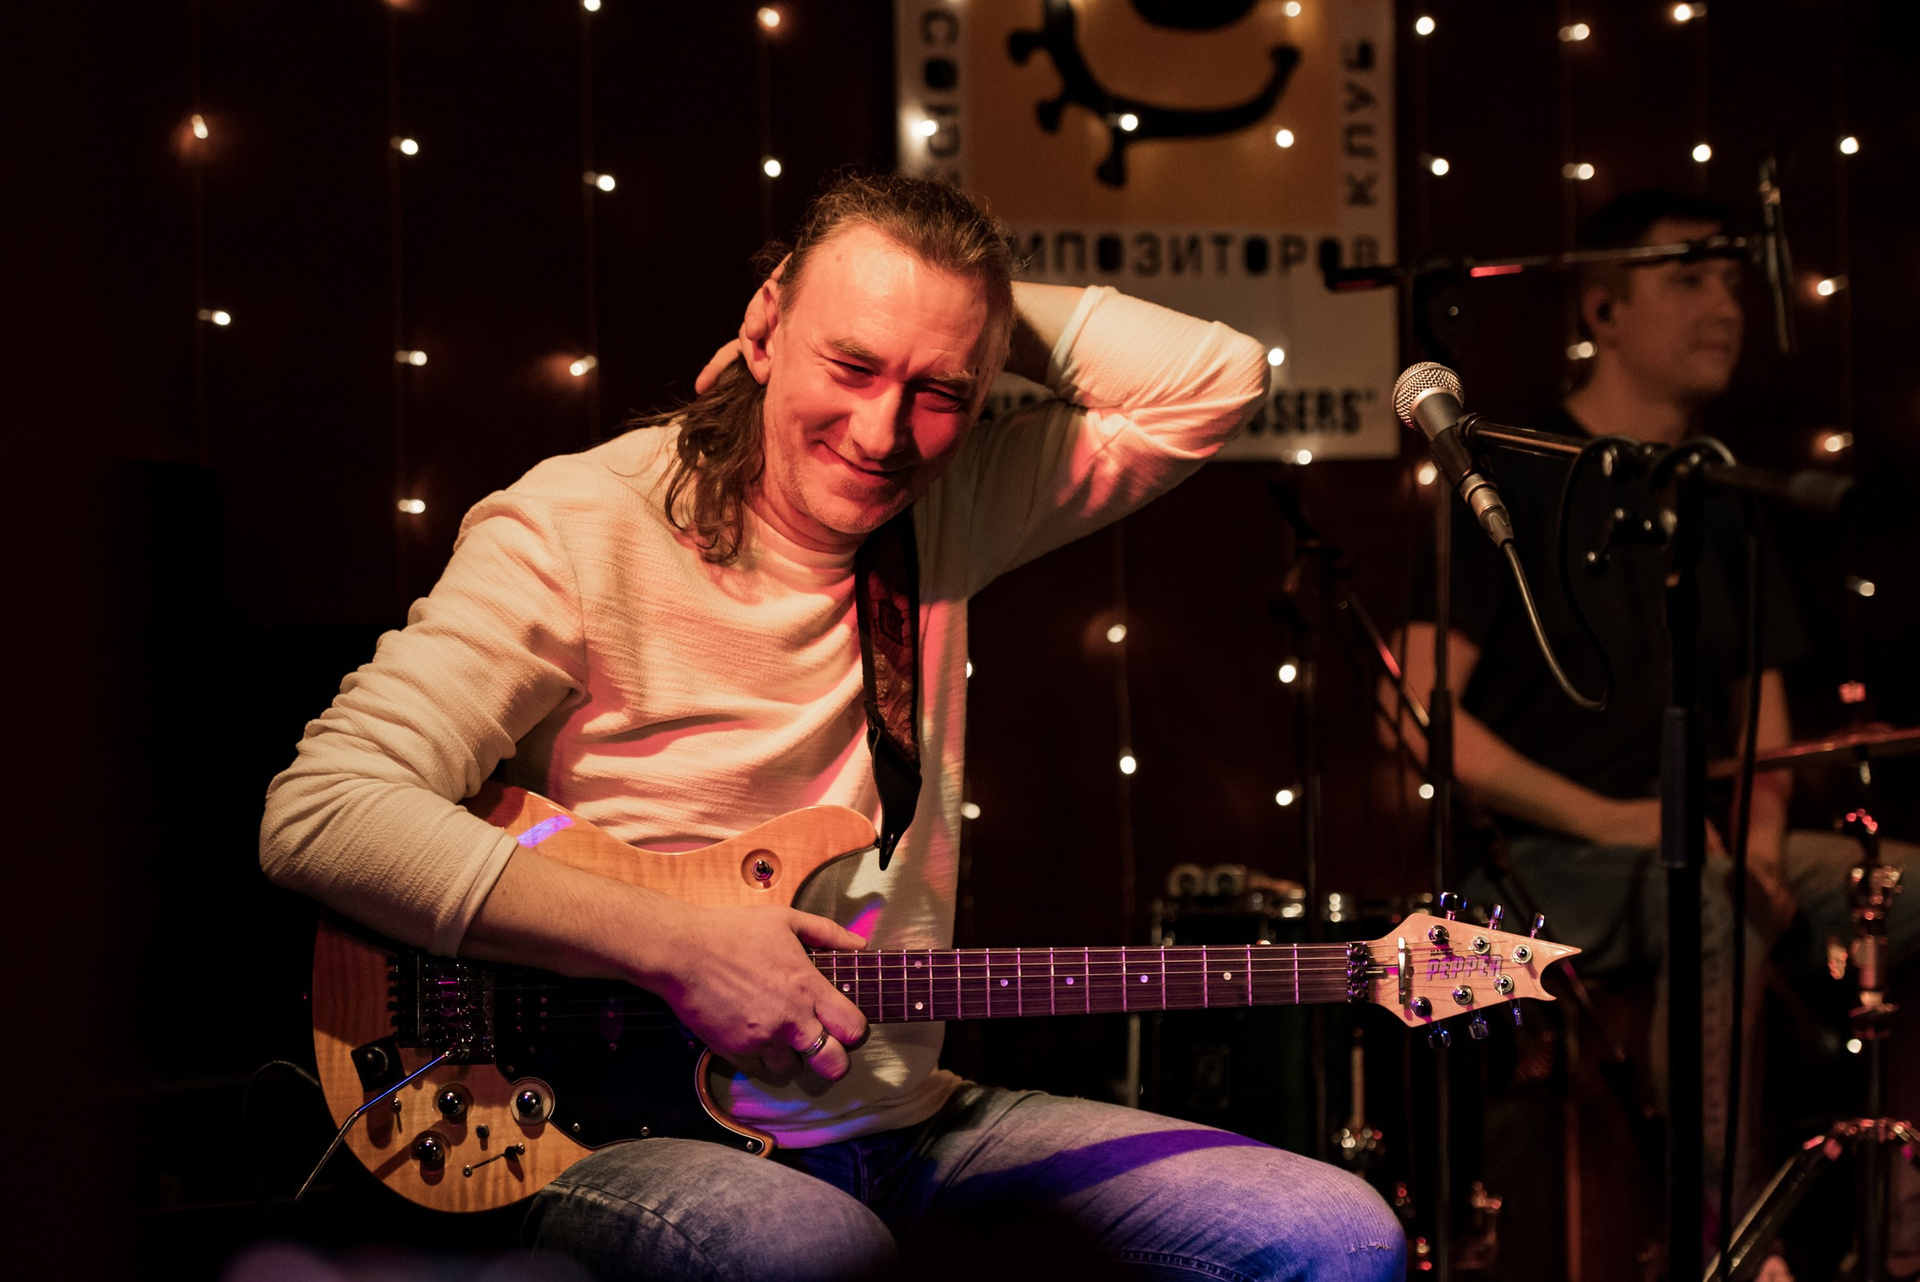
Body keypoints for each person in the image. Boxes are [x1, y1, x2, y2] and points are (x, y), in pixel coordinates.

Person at [262, 173, 1404, 1280]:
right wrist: (676, 946)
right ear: (765, 327)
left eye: (941, 390)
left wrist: (968, 309)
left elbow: (1216, 377)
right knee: (823, 1254)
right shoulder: (575, 524)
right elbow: (323, 811)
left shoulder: (949, 503)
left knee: (1334, 1234)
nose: (883, 431)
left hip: (909, 1129)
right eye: (851, 363)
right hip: (604, 1131)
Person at [1392, 190, 1915, 1268]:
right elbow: (1415, 714)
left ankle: (1901, 1232)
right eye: (1689, 277)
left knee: (1905, 888)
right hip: (1533, 861)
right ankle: (1735, 1237)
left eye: (1731, 281)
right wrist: (1622, 823)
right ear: (1604, 309)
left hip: (1706, 841)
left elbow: (1768, 730)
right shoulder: (1514, 473)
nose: (1724, 304)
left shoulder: (1724, 493)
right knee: (1709, 897)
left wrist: (1758, 841)